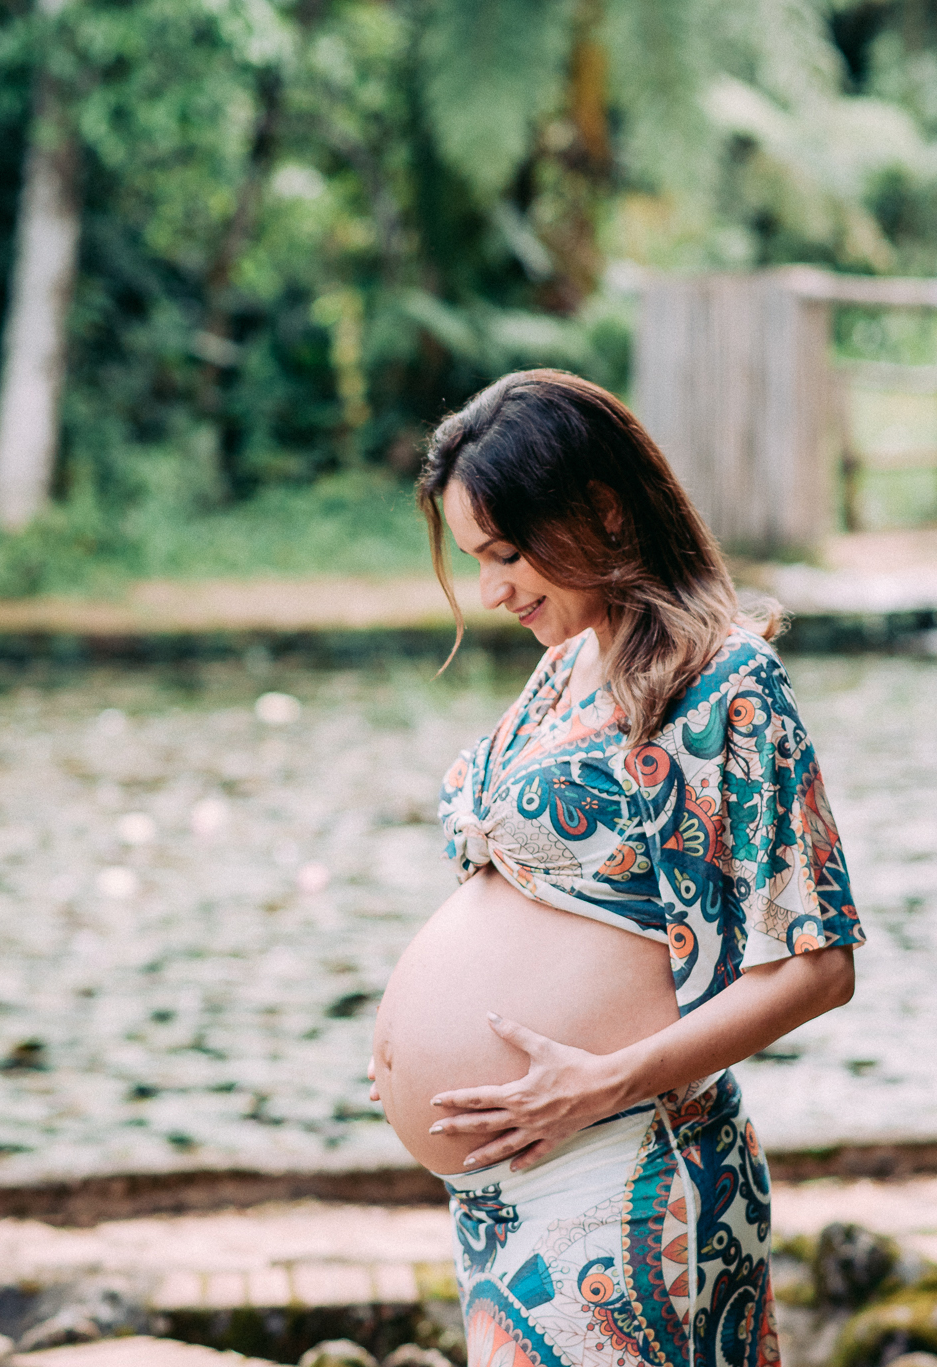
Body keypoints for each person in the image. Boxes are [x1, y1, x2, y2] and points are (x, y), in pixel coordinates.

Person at [368, 370, 865, 1367]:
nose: (493, 591)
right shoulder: (565, 664)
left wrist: (599, 1083)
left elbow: (820, 965)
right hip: (511, 1196)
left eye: (508, 554)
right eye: (477, 561)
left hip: (628, 1175)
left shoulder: (725, 681)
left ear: (601, 510)